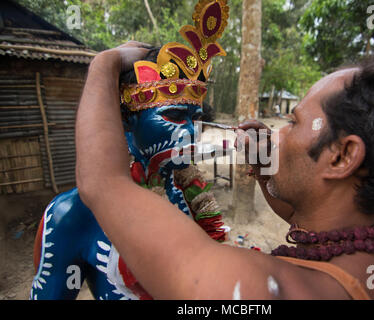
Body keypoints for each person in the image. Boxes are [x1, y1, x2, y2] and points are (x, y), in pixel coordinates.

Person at [75, 41, 374, 299]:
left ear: (341, 157)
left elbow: (103, 183)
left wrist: (103, 65)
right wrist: (266, 169)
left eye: (294, 121)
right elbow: (311, 216)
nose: (277, 133)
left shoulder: (260, 290)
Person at [30, 0, 229, 300]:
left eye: (195, 119)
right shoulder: (70, 215)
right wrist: (105, 64)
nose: (190, 131)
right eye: (174, 117)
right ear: (127, 120)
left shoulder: (190, 195)